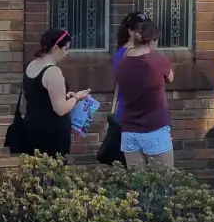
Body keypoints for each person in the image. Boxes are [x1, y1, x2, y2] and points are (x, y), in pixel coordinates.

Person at [114, 18, 174, 168]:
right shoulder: (157, 60)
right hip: (155, 127)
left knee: (137, 185)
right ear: (152, 41)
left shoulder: (123, 63)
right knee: (164, 182)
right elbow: (171, 77)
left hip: (129, 130)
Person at [22, 28, 90, 158]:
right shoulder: (53, 72)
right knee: (53, 173)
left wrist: (65, 96)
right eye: (66, 48)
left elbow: (40, 96)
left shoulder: (32, 65)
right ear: (55, 48)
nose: (67, 53)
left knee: (35, 172)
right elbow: (60, 109)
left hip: (31, 126)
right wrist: (77, 97)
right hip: (51, 132)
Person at [100, 12, 146, 165]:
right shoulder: (130, 54)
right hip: (134, 117)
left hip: (129, 115)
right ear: (131, 31)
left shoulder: (124, 52)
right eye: (140, 29)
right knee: (138, 170)